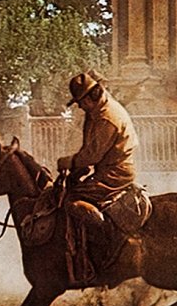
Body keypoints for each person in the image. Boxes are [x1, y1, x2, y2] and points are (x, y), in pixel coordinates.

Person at [57, 70, 139, 284]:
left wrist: (68, 162)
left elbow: (93, 154)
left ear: (91, 96)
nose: (80, 107)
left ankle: (107, 247)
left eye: (81, 102)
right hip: (106, 168)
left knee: (72, 202)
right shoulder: (98, 112)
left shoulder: (107, 118)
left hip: (115, 173)